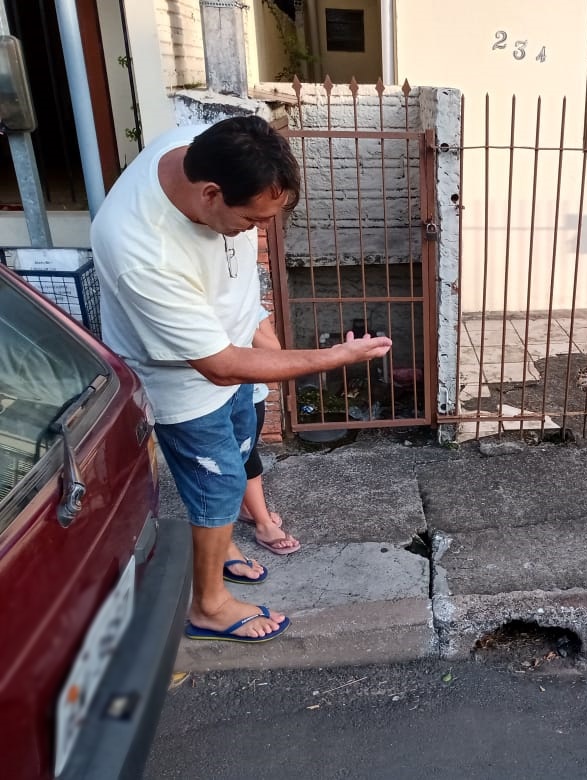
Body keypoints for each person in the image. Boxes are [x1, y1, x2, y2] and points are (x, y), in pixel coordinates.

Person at [92, 115, 392, 641]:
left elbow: (234, 289)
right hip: (182, 378)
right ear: (211, 194)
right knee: (219, 480)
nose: (257, 231)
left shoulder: (198, 140)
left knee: (240, 448)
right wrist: (335, 357)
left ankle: (223, 542)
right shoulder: (141, 248)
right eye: (251, 221)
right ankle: (207, 606)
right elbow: (217, 365)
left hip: (234, 344)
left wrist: (261, 324)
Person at [239, 309, 300, 555]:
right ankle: (259, 519)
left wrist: (240, 319)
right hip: (212, 396)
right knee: (238, 457)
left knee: (247, 451)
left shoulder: (249, 305)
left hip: (250, 393)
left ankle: (254, 514)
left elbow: (273, 351)